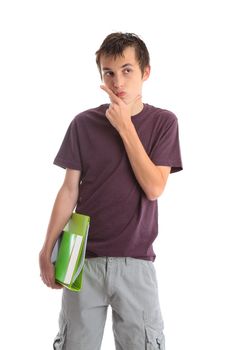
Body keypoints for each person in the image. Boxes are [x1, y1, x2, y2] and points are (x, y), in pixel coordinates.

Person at [39, 32, 183, 350]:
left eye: (127, 70)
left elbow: (154, 187)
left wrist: (125, 126)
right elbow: (68, 191)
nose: (118, 81)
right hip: (81, 261)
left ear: (145, 72)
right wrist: (46, 248)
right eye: (109, 72)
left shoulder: (163, 123)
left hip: (136, 263)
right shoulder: (83, 124)